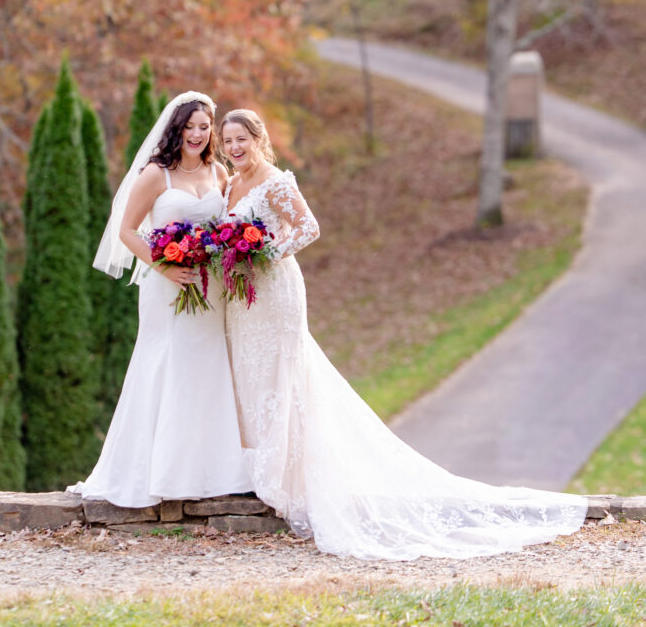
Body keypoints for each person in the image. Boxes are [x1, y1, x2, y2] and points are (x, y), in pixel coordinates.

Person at [219, 109, 588, 561]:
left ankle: (288, 479)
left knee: (283, 375)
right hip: (242, 298)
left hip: (275, 289)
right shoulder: (228, 183)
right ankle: (260, 470)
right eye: (228, 139)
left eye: (242, 138)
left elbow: (309, 228)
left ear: (258, 139)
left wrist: (265, 251)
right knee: (251, 377)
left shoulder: (275, 181)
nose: (235, 146)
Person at [70, 91, 250, 507]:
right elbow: (128, 231)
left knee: (207, 367)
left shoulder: (219, 173)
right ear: (176, 128)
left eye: (205, 128)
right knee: (168, 363)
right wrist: (165, 266)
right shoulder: (156, 174)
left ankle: (211, 470)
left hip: (209, 288)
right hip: (166, 287)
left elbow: (225, 226)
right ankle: (157, 471)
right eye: (190, 127)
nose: (198, 134)